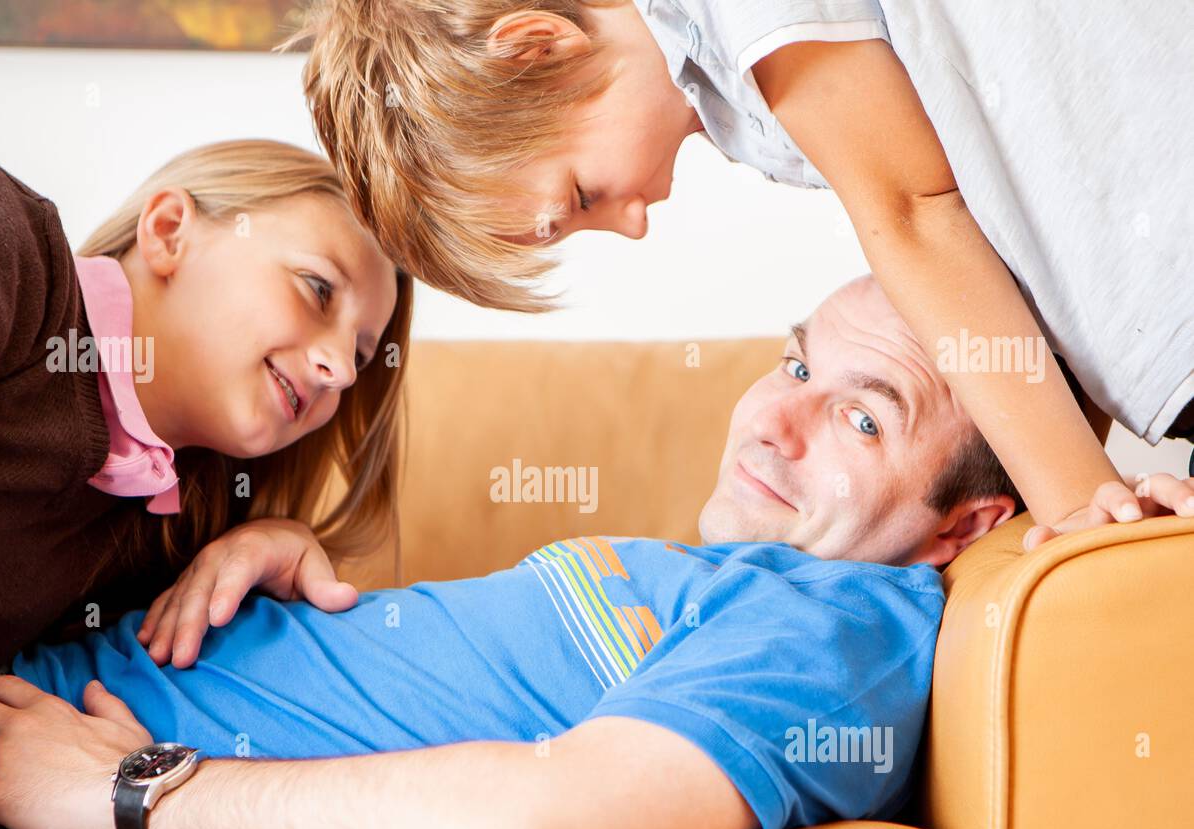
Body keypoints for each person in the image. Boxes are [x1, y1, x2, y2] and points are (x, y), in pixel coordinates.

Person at [0, 273, 1193, 829]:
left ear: (970, 522)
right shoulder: (744, 577)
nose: (775, 417)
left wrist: (123, 788)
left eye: (865, 414)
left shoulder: (837, 632)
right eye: (797, 361)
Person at [288, 0, 1194, 545]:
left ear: (538, 48)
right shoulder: (731, 86)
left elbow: (916, 212)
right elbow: (1016, 244)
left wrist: (1082, 514)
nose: (631, 223)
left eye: (582, 195)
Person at [0, 139, 411, 829]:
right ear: (170, 230)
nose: (332, 372)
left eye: (356, 357)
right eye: (317, 290)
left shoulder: (155, 513)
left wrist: (270, 546)